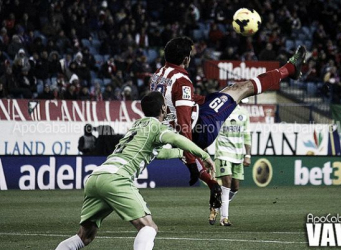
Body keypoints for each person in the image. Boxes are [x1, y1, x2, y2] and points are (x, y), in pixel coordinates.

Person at [150, 36, 306, 209]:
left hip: (184, 129)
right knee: (241, 89)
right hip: (202, 129)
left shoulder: (157, 76)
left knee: (230, 90)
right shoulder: (182, 81)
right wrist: (192, 163)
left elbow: (175, 105)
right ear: (185, 59)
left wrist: (209, 98)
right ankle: (289, 69)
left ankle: (290, 69)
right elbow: (184, 125)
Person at [55, 92, 215, 250]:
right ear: (163, 108)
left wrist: (181, 153)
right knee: (149, 227)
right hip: (116, 179)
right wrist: (204, 155)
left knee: (85, 236)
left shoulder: (137, 126)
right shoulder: (156, 126)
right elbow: (176, 139)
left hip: (96, 177)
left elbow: (158, 153)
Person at [209, 104, 251, 226]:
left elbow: (247, 136)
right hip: (223, 152)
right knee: (226, 182)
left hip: (238, 155)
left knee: (235, 187)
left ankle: (215, 207)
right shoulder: (220, 112)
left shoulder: (243, 113)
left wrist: (248, 155)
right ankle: (224, 218)